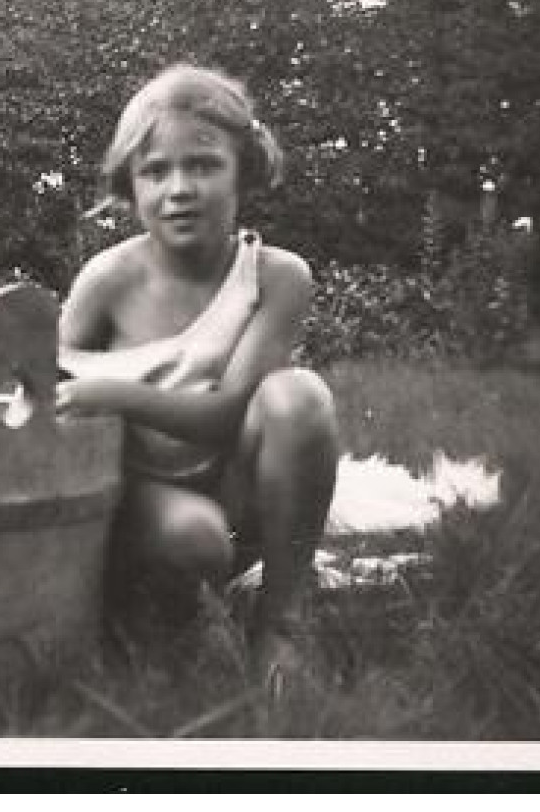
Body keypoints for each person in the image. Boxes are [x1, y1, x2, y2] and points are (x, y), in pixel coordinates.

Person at [55, 63, 340, 687]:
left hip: (237, 481)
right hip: (144, 495)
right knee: (197, 540)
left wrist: (110, 391)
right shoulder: (109, 279)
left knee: (301, 398)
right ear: (129, 186)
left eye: (203, 165)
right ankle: (145, 618)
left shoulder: (278, 275)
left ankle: (282, 621)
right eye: (155, 171)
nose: (178, 188)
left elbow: (230, 411)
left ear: (244, 170)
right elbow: (49, 403)